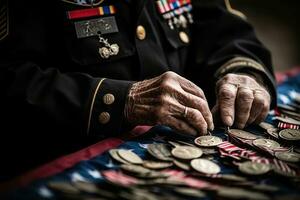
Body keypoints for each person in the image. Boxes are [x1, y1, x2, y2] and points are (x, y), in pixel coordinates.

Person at [0, 0, 276, 180]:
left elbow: (223, 28)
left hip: (185, 158)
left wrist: (243, 71)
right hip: (64, 166)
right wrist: (120, 101)